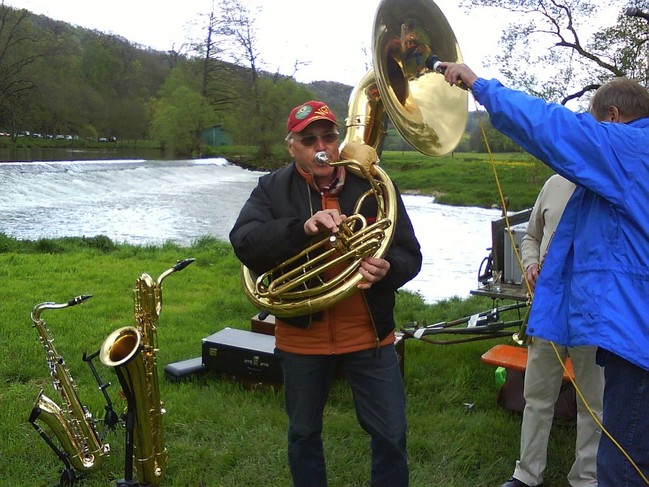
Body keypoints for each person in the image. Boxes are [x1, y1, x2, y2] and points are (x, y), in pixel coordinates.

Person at [437, 63, 649, 486]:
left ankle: (588, 477)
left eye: (595, 127)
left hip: (630, 337)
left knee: (621, 464)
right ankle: (527, 473)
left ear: (611, 119)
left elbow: (552, 127)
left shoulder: (629, 148)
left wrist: (481, 87)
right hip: (602, 320)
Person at [229, 100, 422, 487]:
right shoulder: (272, 188)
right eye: (309, 139)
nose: (322, 146)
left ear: (338, 139)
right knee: (303, 435)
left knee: (391, 434)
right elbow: (244, 242)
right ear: (292, 146)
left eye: (328, 137)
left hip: (370, 336)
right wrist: (302, 228)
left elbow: (410, 255)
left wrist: (388, 270)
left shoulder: (372, 183)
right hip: (303, 339)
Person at [502, 174, 604, 487]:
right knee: (536, 395)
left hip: (591, 309)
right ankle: (527, 474)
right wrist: (530, 265)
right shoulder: (554, 184)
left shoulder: (607, 181)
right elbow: (530, 236)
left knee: (593, 401)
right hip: (549, 309)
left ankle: (587, 477)